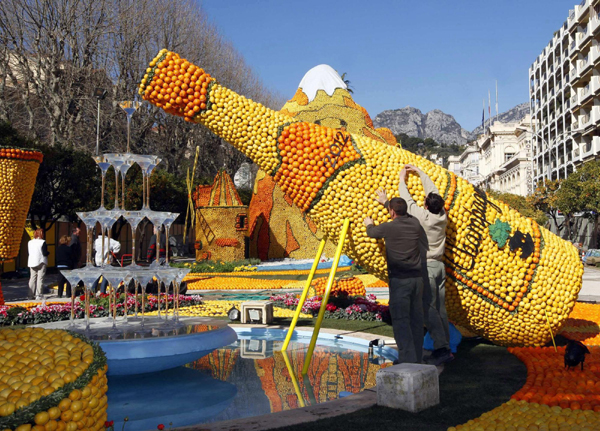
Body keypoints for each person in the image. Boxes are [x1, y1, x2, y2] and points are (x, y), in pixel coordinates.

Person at [398, 164, 452, 365]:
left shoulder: (424, 218)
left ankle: (442, 347)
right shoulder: (442, 216)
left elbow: (407, 201)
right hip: (440, 267)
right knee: (440, 308)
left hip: (427, 268)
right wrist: (421, 174)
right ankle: (446, 346)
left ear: (427, 206)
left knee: (428, 308)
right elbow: (434, 192)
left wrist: (402, 178)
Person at [364, 197, 427, 365]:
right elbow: (406, 215)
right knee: (416, 319)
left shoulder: (389, 227)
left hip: (400, 281)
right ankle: (418, 357)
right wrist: (388, 204)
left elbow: (371, 232)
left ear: (392, 212)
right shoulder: (415, 224)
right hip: (417, 279)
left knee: (401, 320)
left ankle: (407, 360)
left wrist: (368, 223)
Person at [28, 228, 50, 300]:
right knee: (40, 278)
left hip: (32, 261)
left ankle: (30, 295)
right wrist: (48, 253)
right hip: (41, 261)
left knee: (32, 278)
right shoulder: (43, 242)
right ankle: (38, 295)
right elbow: (44, 253)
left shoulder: (30, 242)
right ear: (41, 234)